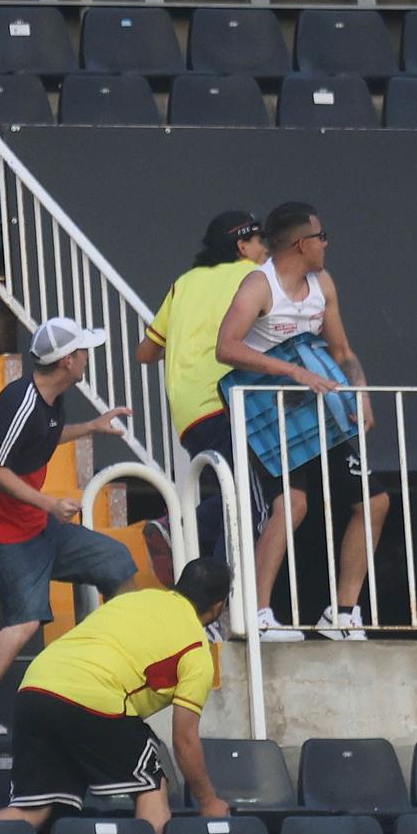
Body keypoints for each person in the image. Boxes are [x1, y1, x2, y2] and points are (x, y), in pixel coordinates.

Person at [0, 316, 139, 740]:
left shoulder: (50, 399)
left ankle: (117, 670)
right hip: (4, 533)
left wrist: (90, 427)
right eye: (84, 351)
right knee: (26, 620)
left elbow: (42, 438)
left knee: (117, 562)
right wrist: (50, 503)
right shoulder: (21, 401)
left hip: (35, 526)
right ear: (69, 361)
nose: (88, 356)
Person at [216, 202, 388, 642]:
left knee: (373, 501)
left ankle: (342, 612)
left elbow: (342, 351)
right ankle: (255, 613)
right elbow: (226, 348)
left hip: (320, 405)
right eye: (322, 236)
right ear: (301, 243)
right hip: (269, 410)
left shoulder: (322, 283)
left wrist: (359, 392)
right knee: (291, 506)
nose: (327, 243)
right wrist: (291, 371)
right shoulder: (260, 285)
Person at [0, 557, 235, 834]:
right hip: (92, 696)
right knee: (151, 779)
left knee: (31, 809)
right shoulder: (196, 650)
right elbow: (184, 739)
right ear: (219, 606)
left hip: (34, 687)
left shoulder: (133, 600)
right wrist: (209, 802)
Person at [137, 211, 270, 568]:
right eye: (262, 242)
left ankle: (182, 533)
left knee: (238, 500)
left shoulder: (184, 282)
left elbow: (145, 352)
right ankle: (187, 535)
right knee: (251, 506)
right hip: (226, 402)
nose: (267, 250)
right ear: (243, 245)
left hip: (188, 413)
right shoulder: (254, 277)